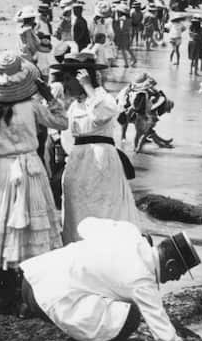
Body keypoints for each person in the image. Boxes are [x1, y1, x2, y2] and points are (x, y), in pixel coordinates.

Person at [18, 219, 202, 341]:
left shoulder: (129, 233)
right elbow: (164, 334)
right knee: (131, 317)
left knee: (106, 294)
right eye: (179, 273)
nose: (177, 279)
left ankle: (88, 338)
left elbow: (85, 225)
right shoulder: (142, 282)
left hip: (32, 279)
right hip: (46, 298)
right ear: (170, 265)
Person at [0, 52, 68, 313]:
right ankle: (27, 294)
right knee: (30, 230)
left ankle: (1, 292)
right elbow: (62, 122)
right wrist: (50, 97)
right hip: (30, 168)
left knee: (2, 226)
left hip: (1, 170)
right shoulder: (33, 105)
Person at [58, 52, 142, 241]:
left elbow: (104, 113)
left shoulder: (101, 97)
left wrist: (89, 86)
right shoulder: (75, 105)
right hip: (78, 165)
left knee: (103, 208)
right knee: (77, 210)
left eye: (68, 79)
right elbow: (67, 136)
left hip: (100, 163)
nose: (65, 85)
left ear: (82, 78)